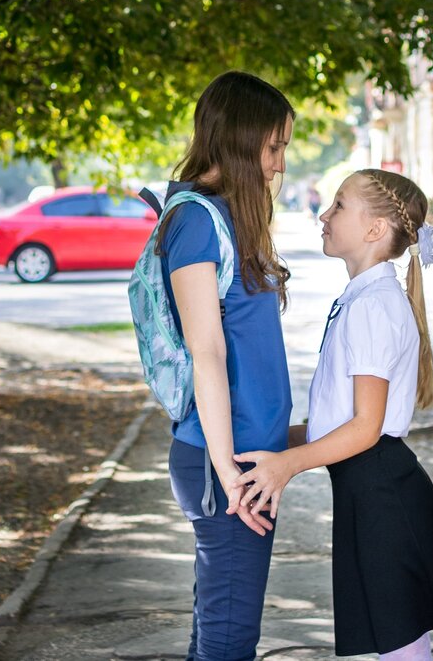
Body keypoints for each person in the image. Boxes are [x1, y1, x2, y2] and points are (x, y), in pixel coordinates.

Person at [233, 169, 433, 659]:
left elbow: (364, 427)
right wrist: (269, 443)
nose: (324, 214)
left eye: (338, 205)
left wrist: (287, 465)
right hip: (372, 490)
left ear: (375, 230)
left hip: (383, 496)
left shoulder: (374, 306)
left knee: (401, 648)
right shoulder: (364, 299)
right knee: (398, 644)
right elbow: (334, 423)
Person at [157, 70, 295, 660]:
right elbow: (206, 351)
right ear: (240, 139)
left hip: (244, 462)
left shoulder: (227, 216)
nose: (278, 162)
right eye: (273, 145)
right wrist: (229, 474)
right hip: (227, 467)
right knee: (228, 641)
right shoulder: (194, 222)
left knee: (219, 634)